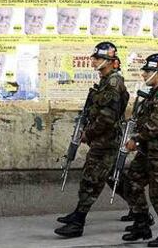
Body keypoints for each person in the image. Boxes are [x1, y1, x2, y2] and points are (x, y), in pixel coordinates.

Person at [54, 42, 130, 238]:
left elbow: (107, 118)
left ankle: (78, 221)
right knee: (115, 180)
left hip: (106, 141)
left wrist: (88, 133)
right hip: (103, 140)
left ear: (107, 61)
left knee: (92, 179)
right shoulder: (105, 81)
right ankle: (142, 213)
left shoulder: (113, 84)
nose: (93, 60)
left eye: (97, 58)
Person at [121, 53, 158, 247]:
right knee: (132, 182)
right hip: (147, 151)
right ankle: (141, 223)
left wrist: (136, 139)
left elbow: (157, 125)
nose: (144, 74)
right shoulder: (153, 94)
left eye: (147, 71)